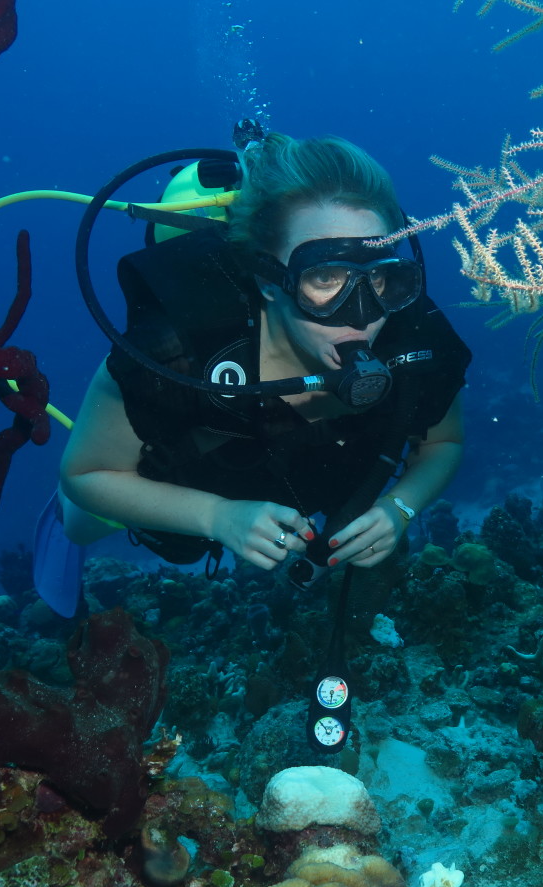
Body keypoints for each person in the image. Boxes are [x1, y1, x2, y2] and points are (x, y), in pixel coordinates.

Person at [56, 132, 470, 580]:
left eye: (380, 277)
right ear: (269, 280)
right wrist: (215, 517)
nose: (363, 313)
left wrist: (399, 507)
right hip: (190, 483)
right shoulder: (174, 348)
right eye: (326, 277)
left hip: (309, 475)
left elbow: (442, 443)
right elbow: (84, 476)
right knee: (78, 526)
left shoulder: (410, 331)